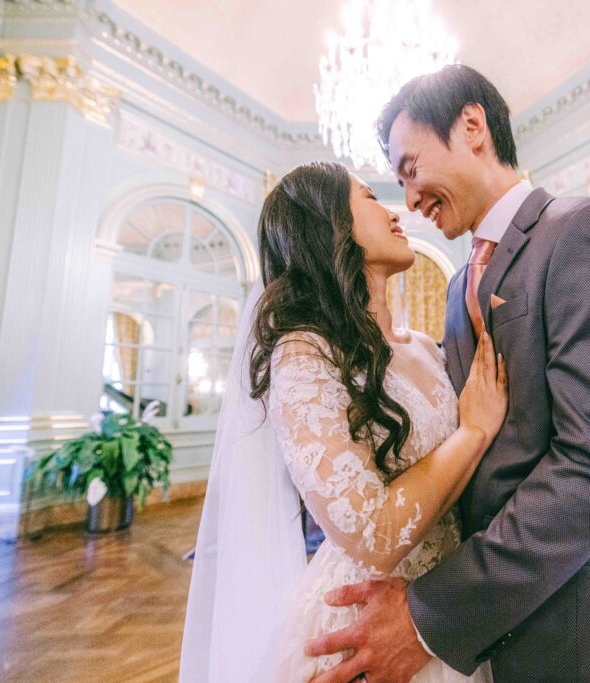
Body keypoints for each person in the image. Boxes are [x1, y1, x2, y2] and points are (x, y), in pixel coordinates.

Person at [305, 65, 590, 683]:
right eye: (396, 183)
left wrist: (431, 614)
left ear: (472, 127)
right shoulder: (455, 289)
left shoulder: (587, 231)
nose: (410, 201)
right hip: (474, 633)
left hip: (563, 627)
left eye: (411, 169)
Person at [181, 160, 507, 682]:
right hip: (365, 622)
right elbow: (373, 535)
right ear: (330, 223)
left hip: (449, 606)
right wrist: (473, 431)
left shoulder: (425, 349)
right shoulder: (306, 354)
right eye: (370, 198)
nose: (395, 211)